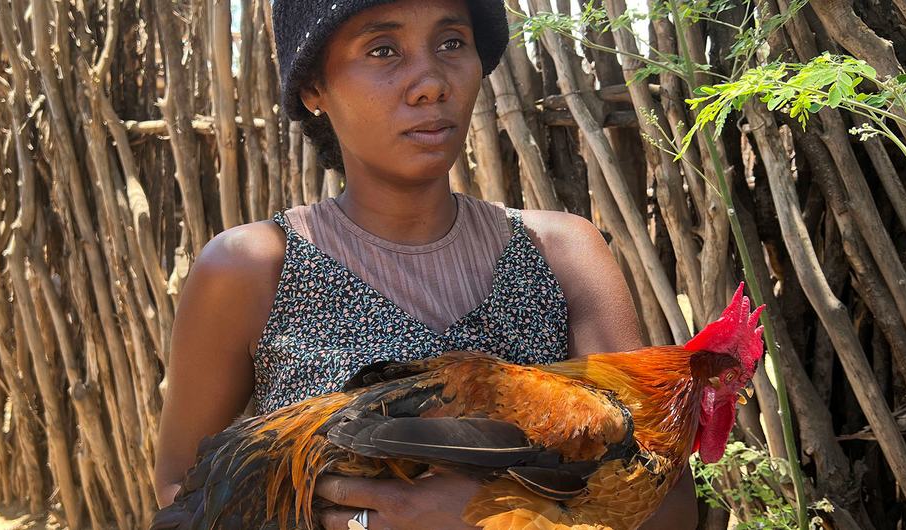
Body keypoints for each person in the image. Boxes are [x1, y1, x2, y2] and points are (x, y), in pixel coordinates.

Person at [153, 0, 699, 528]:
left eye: (451, 42)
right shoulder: (252, 267)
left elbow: (668, 505)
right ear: (313, 87)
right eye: (383, 50)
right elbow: (182, 489)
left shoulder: (562, 253)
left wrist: (501, 520)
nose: (432, 81)